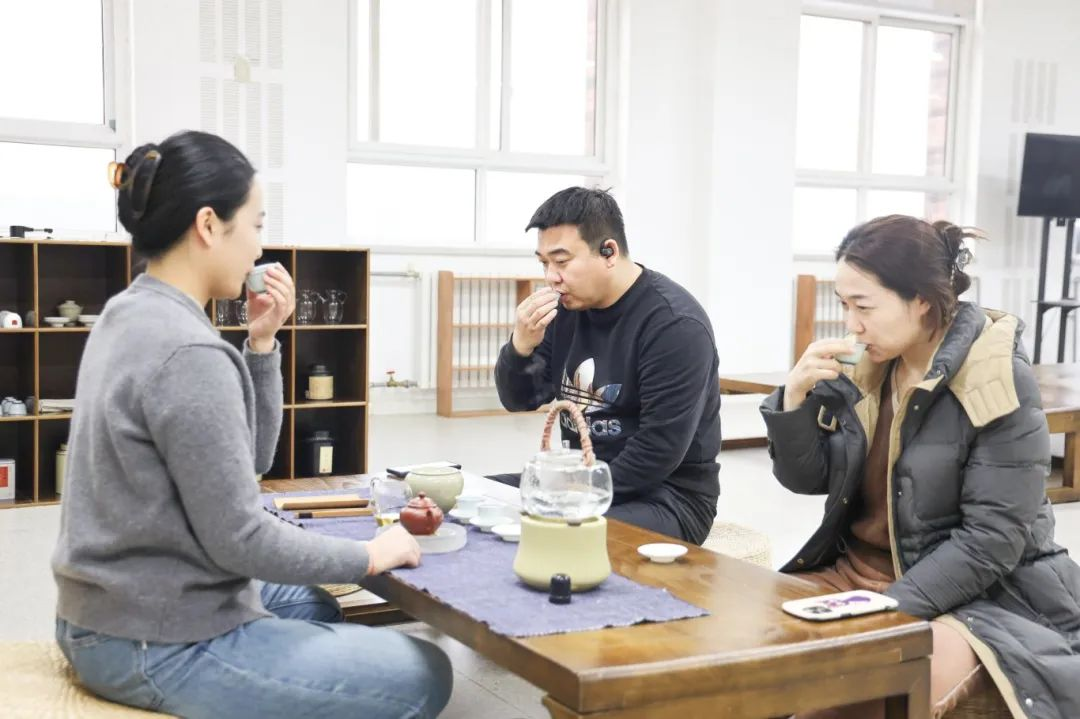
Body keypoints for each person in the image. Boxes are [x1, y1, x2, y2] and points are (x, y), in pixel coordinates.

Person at [51, 131, 452, 719]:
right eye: (257, 226)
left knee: (310, 605)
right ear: (209, 225)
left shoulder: (128, 312)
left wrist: (262, 343)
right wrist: (370, 555)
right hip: (151, 639)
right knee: (425, 672)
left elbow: (250, 462)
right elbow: (242, 537)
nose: (260, 248)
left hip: (106, 611)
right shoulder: (187, 351)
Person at [760, 215, 1080, 718]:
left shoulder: (996, 378)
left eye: (863, 306)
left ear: (922, 300)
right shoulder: (869, 368)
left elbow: (992, 541)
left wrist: (888, 608)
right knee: (741, 657)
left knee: (857, 688)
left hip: (980, 596)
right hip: (856, 575)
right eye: (845, 305)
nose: (851, 324)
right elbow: (809, 479)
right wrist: (793, 401)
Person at [492, 187, 721, 545]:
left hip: (667, 500)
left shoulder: (674, 326)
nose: (551, 276)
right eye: (544, 263)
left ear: (609, 252)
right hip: (579, 481)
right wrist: (520, 345)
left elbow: (656, 453)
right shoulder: (567, 310)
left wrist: (562, 497)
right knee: (476, 497)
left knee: (542, 532)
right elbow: (519, 400)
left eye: (562, 261)